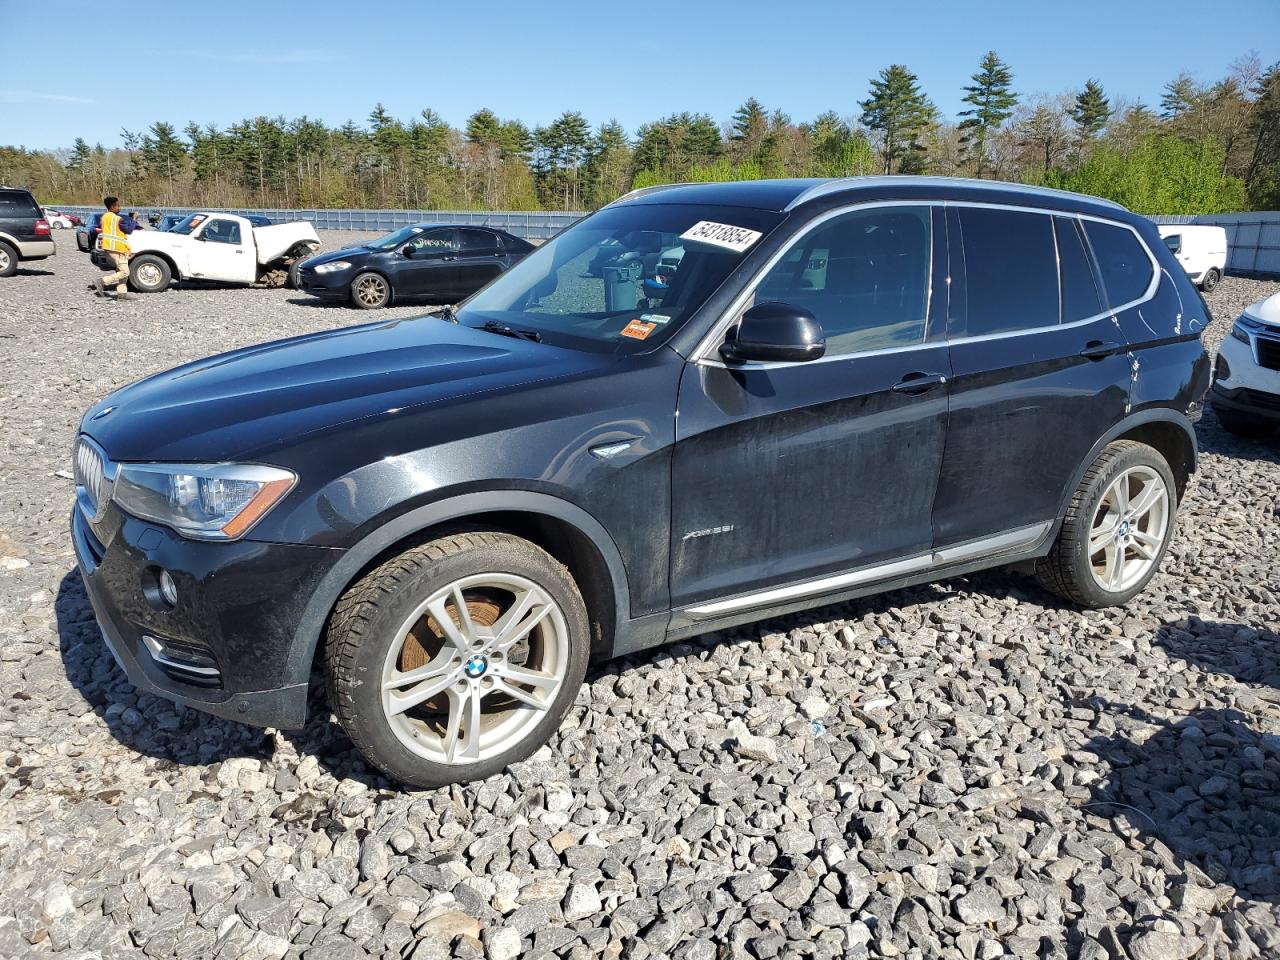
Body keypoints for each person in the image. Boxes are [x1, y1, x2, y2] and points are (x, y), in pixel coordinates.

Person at [92, 196, 136, 299]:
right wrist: (134, 220)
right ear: (112, 207)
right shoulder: (117, 219)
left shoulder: (104, 217)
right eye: (118, 205)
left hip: (109, 247)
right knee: (125, 272)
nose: (119, 207)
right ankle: (102, 281)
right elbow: (129, 230)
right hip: (118, 248)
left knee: (121, 270)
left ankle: (121, 293)